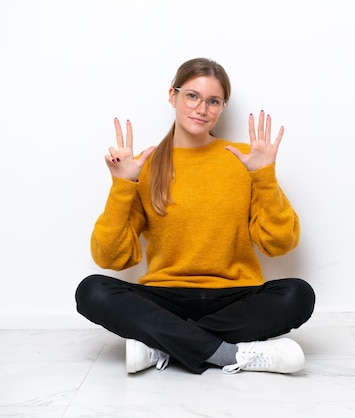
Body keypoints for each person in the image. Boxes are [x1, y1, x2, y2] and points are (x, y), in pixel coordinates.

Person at [75, 57, 315, 375]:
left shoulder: (244, 159)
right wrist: (123, 185)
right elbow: (110, 257)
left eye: (213, 101)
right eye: (192, 96)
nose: (202, 109)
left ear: (221, 107)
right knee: (91, 290)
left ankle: (160, 344)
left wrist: (264, 177)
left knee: (298, 295)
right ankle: (230, 354)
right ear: (173, 96)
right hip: (164, 296)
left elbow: (280, 243)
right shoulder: (143, 164)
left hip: (234, 295)